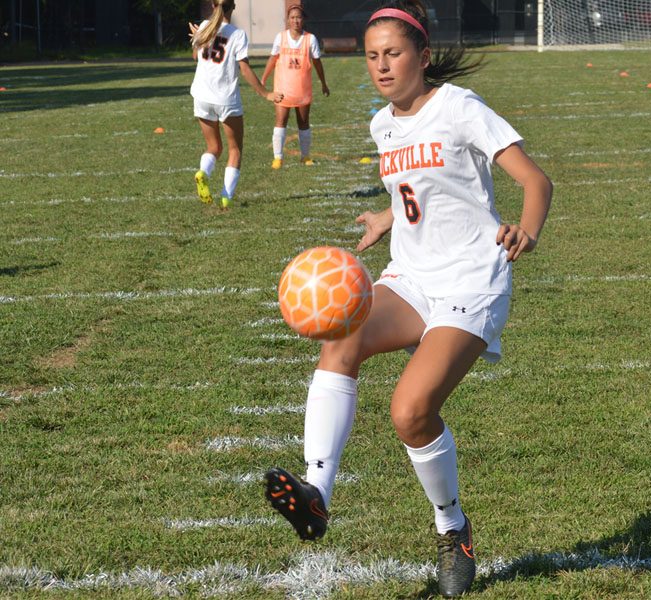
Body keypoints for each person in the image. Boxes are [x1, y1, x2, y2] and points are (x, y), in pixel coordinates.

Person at [264, 0, 552, 596]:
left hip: (472, 281)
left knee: (410, 412)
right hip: (412, 277)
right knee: (340, 335)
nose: (382, 66)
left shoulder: (459, 108)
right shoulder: (382, 125)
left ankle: (454, 532)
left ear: (422, 55)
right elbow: (418, 193)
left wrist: (526, 228)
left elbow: (535, 180)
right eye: (372, 57)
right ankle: (317, 493)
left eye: (393, 53)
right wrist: (386, 216)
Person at [189, 0, 282, 209]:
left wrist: (196, 39)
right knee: (235, 150)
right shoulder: (237, 34)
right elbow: (245, 70)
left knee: (213, 147)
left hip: (201, 96)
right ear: (233, 7)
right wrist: (265, 93)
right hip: (225, 98)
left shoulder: (203, 26)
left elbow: (196, 57)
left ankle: (203, 172)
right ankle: (226, 197)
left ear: (213, 6)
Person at [261, 3, 330, 169]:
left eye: (298, 17)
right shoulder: (281, 37)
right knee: (280, 120)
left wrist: (323, 83)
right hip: (282, 88)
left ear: (303, 19)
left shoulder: (310, 39)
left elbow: (317, 63)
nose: (296, 21)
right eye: (292, 18)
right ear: (288, 20)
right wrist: (263, 79)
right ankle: (278, 158)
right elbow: (273, 59)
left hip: (302, 89)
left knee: (304, 122)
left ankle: (305, 156)